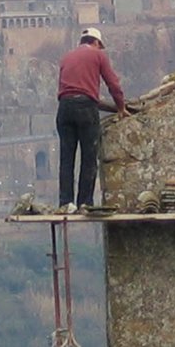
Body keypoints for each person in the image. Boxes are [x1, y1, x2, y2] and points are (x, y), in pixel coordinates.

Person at [55, 27, 129, 214]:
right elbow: (113, 84)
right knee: (88, 156)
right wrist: (121, 107)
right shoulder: (98, 56)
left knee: (66, 158)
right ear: (96, 42)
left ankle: (65, 202)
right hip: (86, 108)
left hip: (64, 108)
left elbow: (67, 88)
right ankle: (85, 203)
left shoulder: (66, 58)